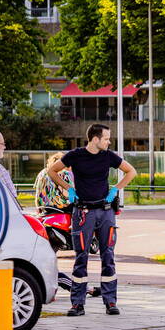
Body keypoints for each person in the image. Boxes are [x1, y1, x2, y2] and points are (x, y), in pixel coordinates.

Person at [48, 124, 137, 317]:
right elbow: (52, 171)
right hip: (83, 213)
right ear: (95, 139)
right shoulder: (75, 155)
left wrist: (116, 188)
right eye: (106, 138)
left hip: (105, 212)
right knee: (81, 258)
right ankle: (77, 305)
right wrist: (69, 188)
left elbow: (131, 171)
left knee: (108, 257)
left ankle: (110, 302)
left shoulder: (108, 156)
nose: (109, 141)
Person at [37, 152, 101, 300]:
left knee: (47, 261)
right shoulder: (64, 173)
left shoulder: (42, 174)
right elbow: (76, 190)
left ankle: (84, 289)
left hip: (45, 214)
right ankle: (83, 289)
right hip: (61, 211)